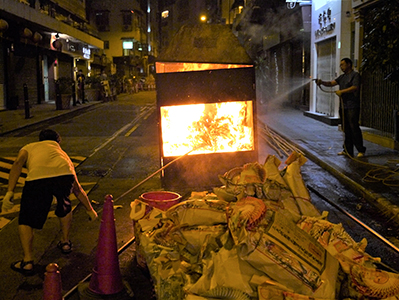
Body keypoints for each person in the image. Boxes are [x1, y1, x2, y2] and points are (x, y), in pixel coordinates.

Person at [1, 129, 98, 276]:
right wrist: (90, 210)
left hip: (37, 180)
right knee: (64, 206)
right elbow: (77, 189)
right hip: (64, 175)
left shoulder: (29, 147)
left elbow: (17, 163)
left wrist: (10, 191)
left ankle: (27, 262)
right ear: (58, 141)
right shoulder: (62, 154)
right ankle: (65, 243)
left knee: (26, 219)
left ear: (40, 140)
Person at [316, 58, 366, 158]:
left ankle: (360, 150)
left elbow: (355, 87)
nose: (341, 67)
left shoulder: (355, 75)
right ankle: (347, 150)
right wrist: (321, 82)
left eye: (342, 64)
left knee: (354, 127)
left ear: (349, 64)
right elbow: (331, 83)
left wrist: (342, 92)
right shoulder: (342, 77)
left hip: (352, 106)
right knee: (346, 128)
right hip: (344, 106)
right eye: (340, 65)